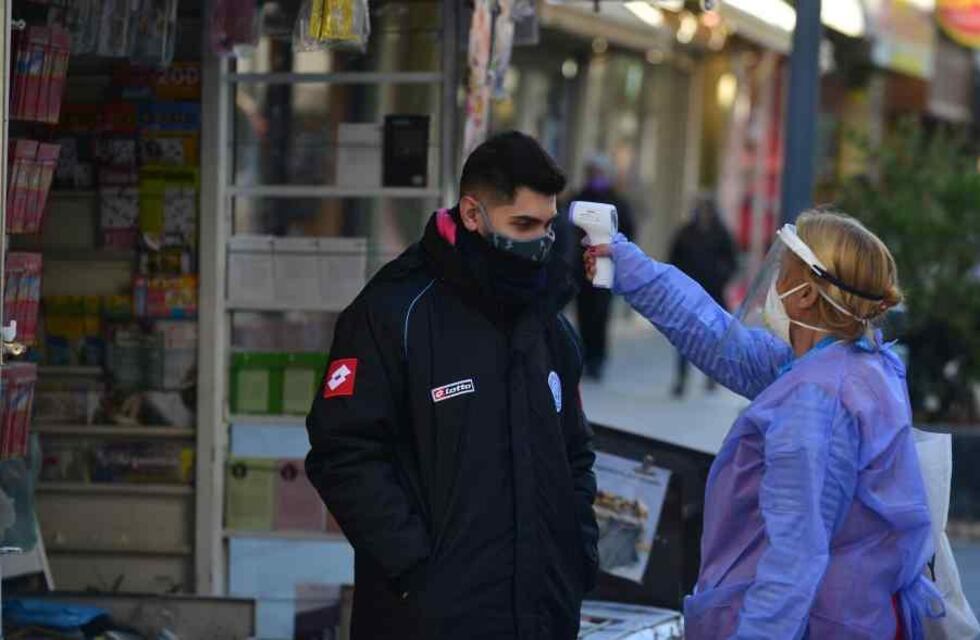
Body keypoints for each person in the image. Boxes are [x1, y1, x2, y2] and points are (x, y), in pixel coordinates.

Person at [585, 210, 942, 638]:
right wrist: (627, 265)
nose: (774, 283)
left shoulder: (816, 404)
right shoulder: (851, 363)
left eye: (783, 271)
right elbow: (721, 341)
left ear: (806, 294)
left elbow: (792, 563)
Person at [306, 131, 598, 640]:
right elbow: (343, 451)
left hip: (541, 615)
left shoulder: (550, 323)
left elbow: (575, 454)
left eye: (548, 226)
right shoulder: (394, 311)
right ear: (471, 214)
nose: (540, 243)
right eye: (522, 225)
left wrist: (577, 555)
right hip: (427, 619)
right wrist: (415, 570)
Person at [567, 154, 635, 380]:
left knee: (600, 315)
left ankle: (598, 359)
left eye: (598, 172)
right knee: (584, 314)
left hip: (606, 267)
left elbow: (628, 231)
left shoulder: (616, 201)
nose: (595, 176)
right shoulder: (578, 199)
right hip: (581, 267)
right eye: (592, 172)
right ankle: (586, 356)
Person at [667, 193, 736, 396]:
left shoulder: (721, 233)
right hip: (687, 294)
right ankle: (681, 379)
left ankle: (711, 377)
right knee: (684, 337)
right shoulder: (685, 233)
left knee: (713, 338)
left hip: (713, 294)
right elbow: (673, 259)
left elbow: (731, 261)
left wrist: (721, 276)